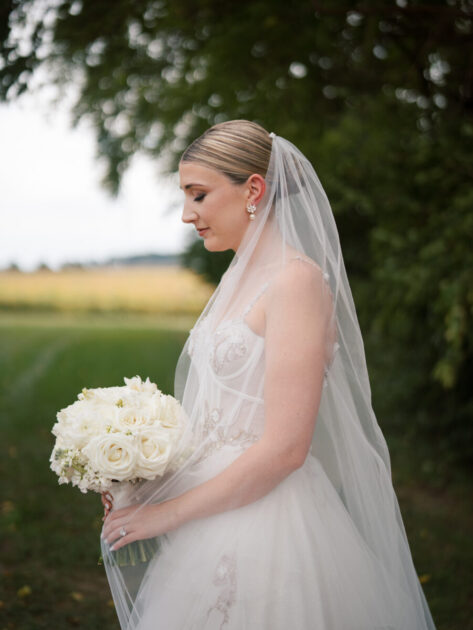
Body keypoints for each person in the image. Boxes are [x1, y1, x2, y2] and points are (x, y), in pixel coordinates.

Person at [101, 120, 437, 629]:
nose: (188, 214)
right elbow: (219, 415)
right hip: (209, 509)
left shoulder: (296, 282)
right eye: (185, 197)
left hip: (266, 523)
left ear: (253, 189)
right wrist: (142, 483)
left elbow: (284, 448)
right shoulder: (238, 279)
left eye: (199, 194)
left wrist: (164, 515)